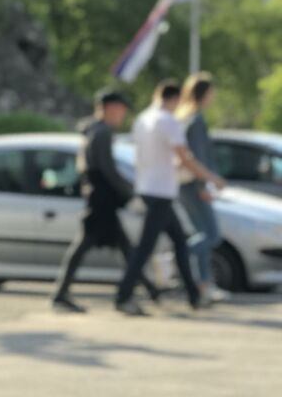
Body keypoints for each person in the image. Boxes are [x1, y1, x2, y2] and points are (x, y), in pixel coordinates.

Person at [114, 79, 226, 316]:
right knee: (145, 247)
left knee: (180, 242)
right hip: (161, 190)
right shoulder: (168, 121)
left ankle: (193, 296)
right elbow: (185, 158)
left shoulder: (142, 119)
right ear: (174, 99)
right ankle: (123, 295)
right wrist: (211, 178)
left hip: (148, 187)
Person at [51, 89, 160, 313]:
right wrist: (129, 194)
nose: (122, 115)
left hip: (99, 198)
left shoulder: (93, 130)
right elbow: (108, 170)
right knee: (91, 245)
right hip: (101, 200)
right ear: (110, 108)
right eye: (121, 110)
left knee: (122, 246)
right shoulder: (102, 133)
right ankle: (64, 295)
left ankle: (149, 289)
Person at [176, 72, 226, 305]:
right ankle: (176, 258)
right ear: (204, 93)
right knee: (211, 235)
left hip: (188, 185)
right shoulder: (195, 120)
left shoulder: (185, 116)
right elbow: (196, 157)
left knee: (202, 234)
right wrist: (204, 184)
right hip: (194, 185)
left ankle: (203, 284)